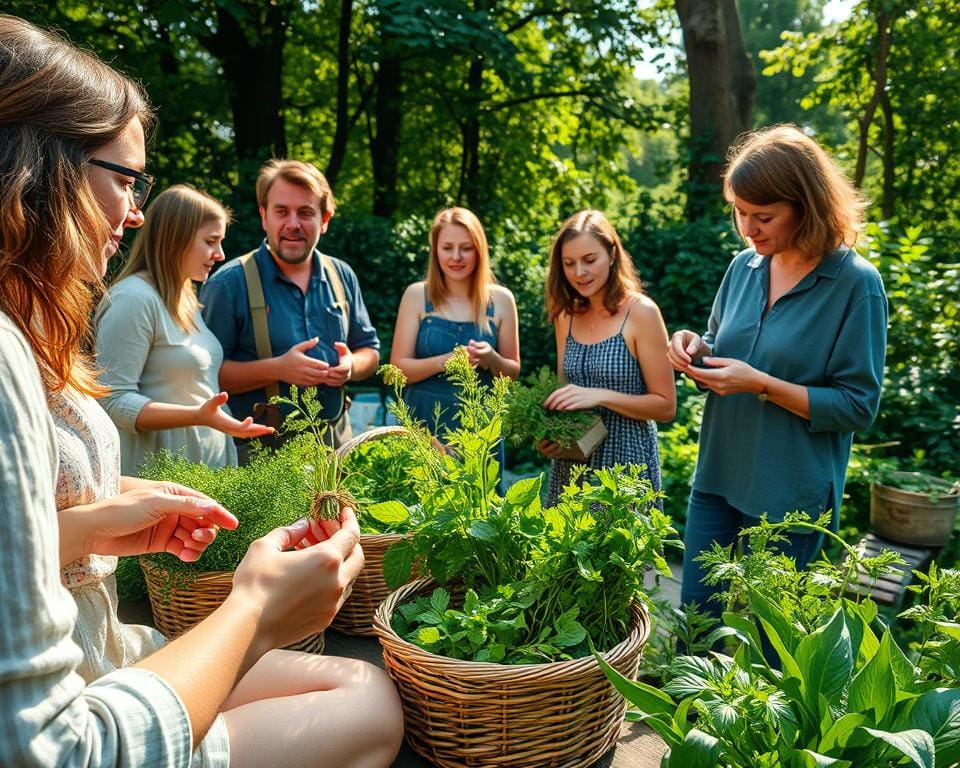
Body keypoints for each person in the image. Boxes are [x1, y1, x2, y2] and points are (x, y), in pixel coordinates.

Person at [0, 15, 403, 767]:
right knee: (369, 707)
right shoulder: (171, 297)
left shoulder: (339, 278)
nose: (135, 207)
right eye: (126, 179)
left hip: (108, 646)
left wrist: (105, 520)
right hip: (94, 693)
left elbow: (16, 541)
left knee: (360, 690)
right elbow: (41, 746)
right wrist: (252, 611)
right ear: (39, 165)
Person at [666, 124, 888, 612]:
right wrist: (692, 348)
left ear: (806, 206)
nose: (748, 228)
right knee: (694, 626)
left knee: (773, 648)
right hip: (719, 474)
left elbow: (857, 406)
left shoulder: (855, 284)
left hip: (791, 494)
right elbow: (723, 347)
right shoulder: (742, 268)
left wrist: (761, 385)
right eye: (740, 213)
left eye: (763, 216)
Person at [200, 160, 381, 452]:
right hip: (258, 456)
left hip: (335, 445)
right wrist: (278, 369)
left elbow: (369, 350)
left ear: (325, 219)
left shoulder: (342, 274)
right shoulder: (230, 283)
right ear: (264, 217)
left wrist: (351, 365)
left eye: (306, 213)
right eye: (282, 211)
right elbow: (204, 375)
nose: (293, 224)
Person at [95, 184, 273, 476]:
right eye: (211, 241)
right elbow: (112, 400)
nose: (220, 254)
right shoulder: (133, 299)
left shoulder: (187, 297)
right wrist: (199, 417)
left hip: (202, 475)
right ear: (176, 239)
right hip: (157, 481)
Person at [542, 209, 676, 506]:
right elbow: (566, 395)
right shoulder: (566, 315)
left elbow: (666, 406)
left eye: (590, 260)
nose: (579, 273)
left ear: (612, 253)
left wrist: (599, 396)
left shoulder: (641, 313)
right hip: (573, 466)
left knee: (619, 551)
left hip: (625, 467)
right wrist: (552, 436)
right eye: (569, 264)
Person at [390, 207, 521, 457]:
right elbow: (398, 370)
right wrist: (444, 362)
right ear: (435, 250)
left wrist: (491, 359)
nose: (456, 256)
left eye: (466, 248)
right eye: (447, 247)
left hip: (480, 430)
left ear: (479, 250)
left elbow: (513, 372)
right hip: (423, 426)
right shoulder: (417, 295)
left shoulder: (502, 300)